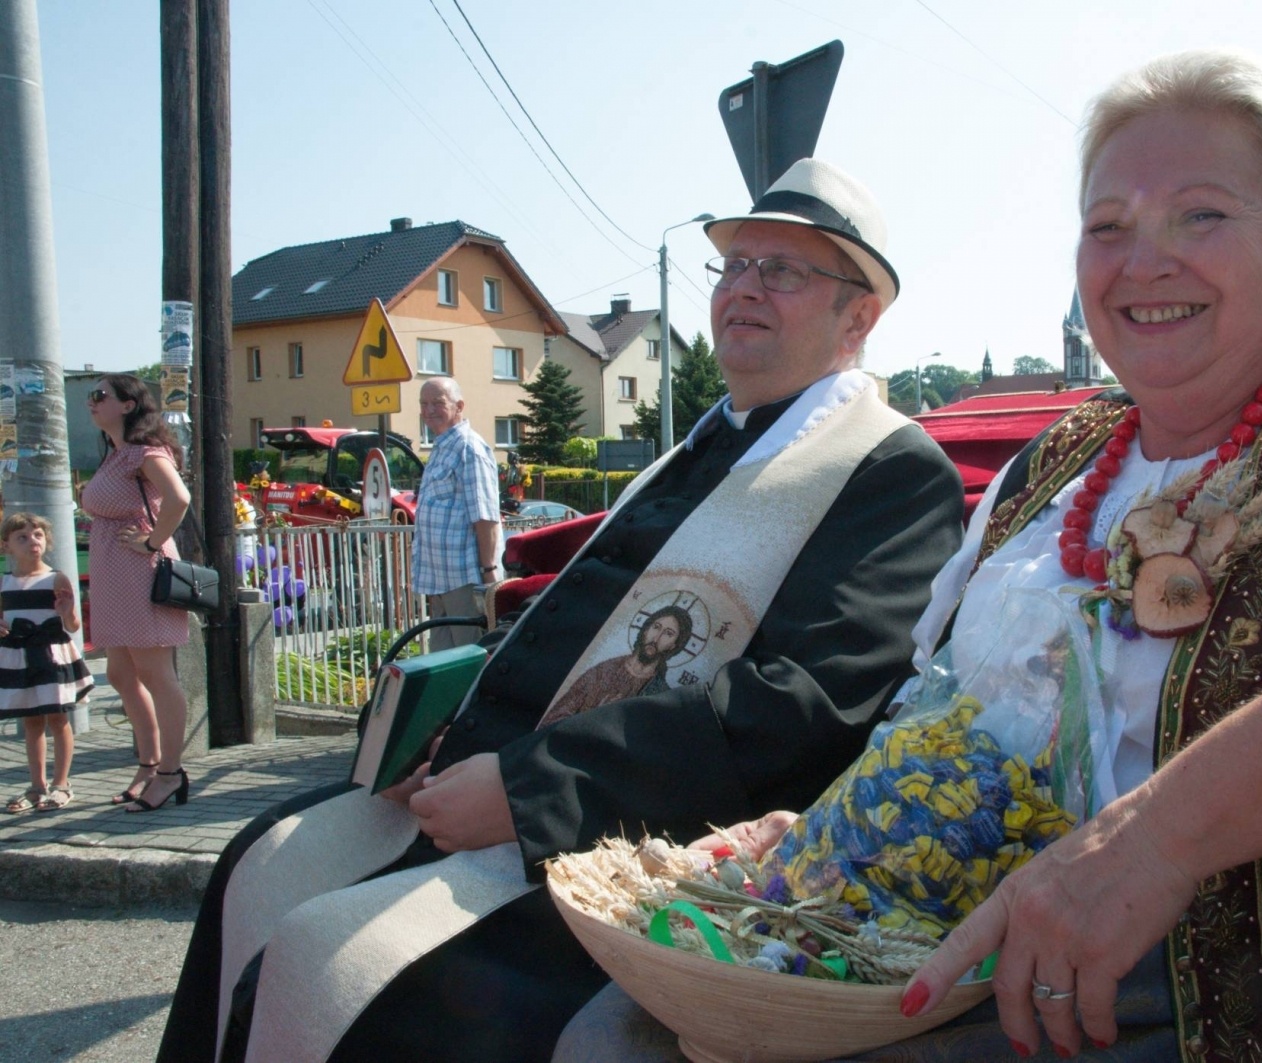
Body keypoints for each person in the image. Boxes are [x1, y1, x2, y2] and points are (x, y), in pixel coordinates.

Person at [553, 50, 1262, 1062]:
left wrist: (1159, 837)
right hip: (939, 933)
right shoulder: (1044, 472)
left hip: (1193, 999)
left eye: (1202, 214)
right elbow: (944, 708)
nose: (1144, 259)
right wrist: (848, 828)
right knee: (614, 1024)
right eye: (1107, 226)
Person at [156, 157, 966, 1063]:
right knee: (256, 867)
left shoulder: (890, 471)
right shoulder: (698, 447)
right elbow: (563, 624)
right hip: (480, 782)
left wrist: (532, 788)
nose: (743, 288)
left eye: (781, 270)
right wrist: (439, 725)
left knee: (353, 976)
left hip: (624, 829)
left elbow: (805, 705)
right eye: (734, 265)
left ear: (859, 314)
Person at [79, 374, 195, 813]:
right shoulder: (116, 454)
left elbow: (178, 498)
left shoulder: (145, 452)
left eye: (100, 396)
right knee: (122, 674)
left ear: (128, 405)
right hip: (115, 574)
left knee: (155, 673)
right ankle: (149, 765)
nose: (92, 402)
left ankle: (170, 773)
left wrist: (150, 542)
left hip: (139, 572)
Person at [0, 513, 93, 813]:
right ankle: (36, 786)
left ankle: (62, 784)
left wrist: (66, 611)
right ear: (7, 547)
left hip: (52, 655)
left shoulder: (56, 578)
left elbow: (74, 625)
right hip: (21, 657)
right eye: (22, 538)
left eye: (38, 535)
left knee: (58, 719)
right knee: (31, 721)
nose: (33, 542)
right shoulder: (5, 582)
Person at [413, 375, 503, 652]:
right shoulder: (441, 447)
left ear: (459, 406)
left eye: (438, 403)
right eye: (424, 403)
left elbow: (485, 514)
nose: (429, 410)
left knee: (469, 658)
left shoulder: (469, 449)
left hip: (465, 577)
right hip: (439, 577)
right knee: (443, 663)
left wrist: (489, 572)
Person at [543, 603, 692, 724]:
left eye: (668, 634)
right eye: (656, 627)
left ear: (674, 645)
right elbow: (552, 720)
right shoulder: (603, 671)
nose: (656, 637)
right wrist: (592, 719)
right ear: (646, 629)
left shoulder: (661, 694)